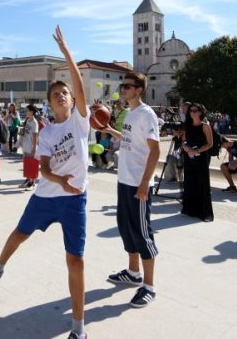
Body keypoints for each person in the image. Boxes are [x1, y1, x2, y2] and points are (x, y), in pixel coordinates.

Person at [0, 27, 90, 339]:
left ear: (71, 99)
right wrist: (59, 180)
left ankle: (78, 330)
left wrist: (67, 51)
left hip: (74, 200)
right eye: (56, 95)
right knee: (20, 233)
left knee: (76, 260)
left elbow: (78, 83)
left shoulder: (81, 120)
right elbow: (44, 168)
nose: (62, 96)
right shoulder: (48, 131)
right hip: (47, 195)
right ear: (49, 103)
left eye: (65, 92)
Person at [100, 71, 160, 308]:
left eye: (127, 86)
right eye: (122, 86)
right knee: (127, 229)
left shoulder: (147, 114)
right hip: (124, 180)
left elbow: (155, 151)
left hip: (138, 183)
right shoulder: (130, 114)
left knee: (143, 234)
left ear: (139, 89)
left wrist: (145, 183)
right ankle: (133, 273)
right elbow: (128, 141)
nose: (122, 89)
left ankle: (149, 286)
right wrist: (108, 129)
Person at [181, 103, 214, 222]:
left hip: (201, 157)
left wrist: (197, 150)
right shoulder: (187, 125)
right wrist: (186, 148)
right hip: (189, 157)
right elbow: (183, 141)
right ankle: (190, 209)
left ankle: (204, 212)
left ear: (200, 112)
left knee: (202, 183)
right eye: (191, 111)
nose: (192, 113)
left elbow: (210, 144)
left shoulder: (205, 126)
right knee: (189, 181)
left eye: (195, 110)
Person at [20, 105, 40, 190]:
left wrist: (34, 148)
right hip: (26, 145)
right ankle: (28, 180)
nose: (26, 112)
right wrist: (22, 132)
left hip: (31, 146)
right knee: (27, 164)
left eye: (27, 110)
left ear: (32, 112)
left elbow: (35, 136)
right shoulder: (28, 121)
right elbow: (26, 132)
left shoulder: (34, 122)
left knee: (32, 165)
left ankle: (33, 183)